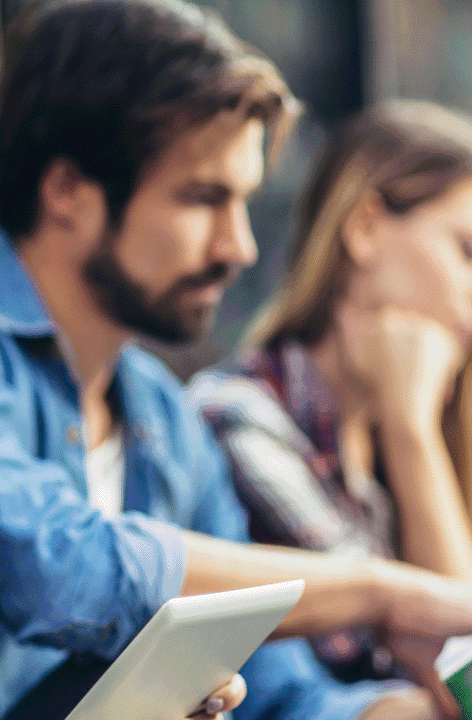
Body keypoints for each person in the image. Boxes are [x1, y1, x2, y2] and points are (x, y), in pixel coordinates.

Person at [0, 2, 472, 720]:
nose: (239, 247)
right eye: (202, 199)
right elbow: (62, 571)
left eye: (244, 203)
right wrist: (379, 591)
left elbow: (282, 691)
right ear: (68, 189)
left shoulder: (164, 415)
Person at [191, 99, 472, 684]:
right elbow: (455, 665)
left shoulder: (404, 429)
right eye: (468, 252)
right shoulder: (241, 422)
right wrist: (411, 431)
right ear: (365, 227)